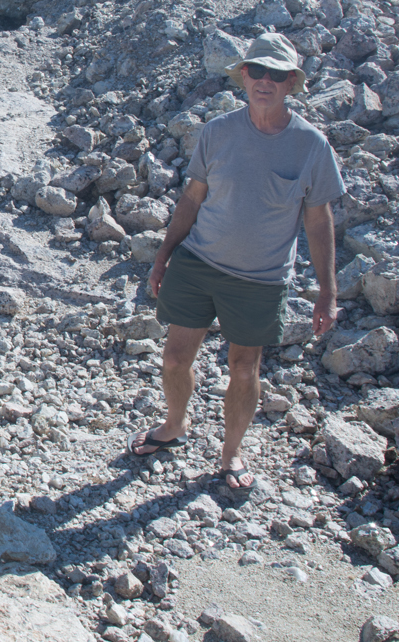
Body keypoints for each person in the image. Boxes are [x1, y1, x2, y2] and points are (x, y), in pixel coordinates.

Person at [128, 33, 345, 489]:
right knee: (173, 357)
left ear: (291, 83)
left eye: (277, 74)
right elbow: (192, 198)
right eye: (257, 71)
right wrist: (164, 255)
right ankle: (174, 427)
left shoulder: (312, 146)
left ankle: (231, 455)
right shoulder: (218, 131)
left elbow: (318, 221)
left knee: (245, 368)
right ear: (243, 74)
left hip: (261, 280)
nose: (265, 81)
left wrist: (327, 292)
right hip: (199, 262)